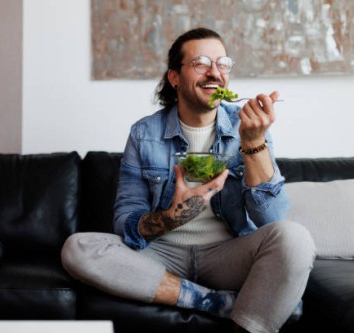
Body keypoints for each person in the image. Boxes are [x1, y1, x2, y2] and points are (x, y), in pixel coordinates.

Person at [61, 27, 316, 333]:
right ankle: (215, 302)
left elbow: (271, 219)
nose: (215, 73)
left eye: (222, 64)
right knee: (77, 247)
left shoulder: (247, 128)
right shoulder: (144, 134)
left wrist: (252, 142)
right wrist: (170, 218)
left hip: (228, 255)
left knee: (295, 237)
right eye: (201, 63)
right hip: (161, 255)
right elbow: (125, 220)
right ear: (175, 78)